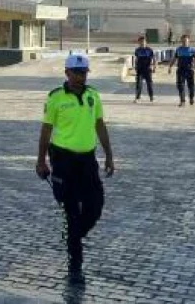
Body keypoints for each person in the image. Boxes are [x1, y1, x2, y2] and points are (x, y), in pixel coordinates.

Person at [36, 53, 114, 283]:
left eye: (84, 73)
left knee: (95, 206)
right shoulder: (55, 98)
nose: (81, 77)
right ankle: (75, 261)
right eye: (77, 73)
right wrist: (41, 161)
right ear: (67, 73)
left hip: (87, 160)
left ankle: (74, 237)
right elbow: (45, 132)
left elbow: (100, 126)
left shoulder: (93, 96)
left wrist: (109, 155)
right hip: (63, 160)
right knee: (71, 211)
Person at [167, 34, 195, 106]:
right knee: (180, 86)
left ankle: (191, 98)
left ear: (188, 41)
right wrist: (170, 67)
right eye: (183, 41)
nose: (184, 42)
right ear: (181, 41)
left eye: (186, 41)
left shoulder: (192, 50)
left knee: (191, 86)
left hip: (189, 70)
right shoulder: (178, 49)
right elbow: (174, 59)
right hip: (180, 70)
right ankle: (182, 101)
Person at [132, 35, 156, 103]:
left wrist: (154, 67)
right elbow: (136, 59)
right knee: (138, 84)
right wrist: (135, 66)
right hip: (140, 69)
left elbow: (154, 59)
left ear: (146, 42)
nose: (142, 43)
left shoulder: (149, 50)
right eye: (140, 42)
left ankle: (151, 97)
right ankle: (137, 97)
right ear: (138, 43)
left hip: (147, 69)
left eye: (143, 41)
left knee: (149, 84)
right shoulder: (137, 50)